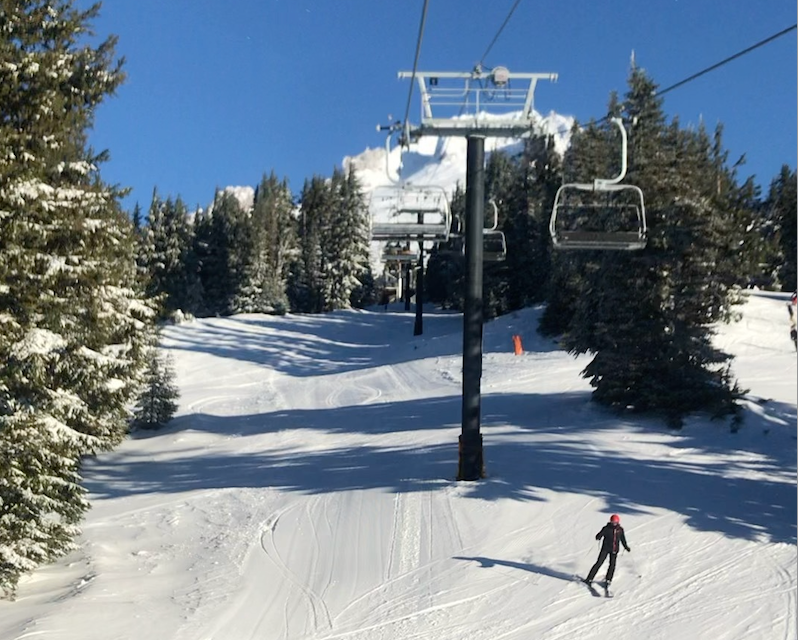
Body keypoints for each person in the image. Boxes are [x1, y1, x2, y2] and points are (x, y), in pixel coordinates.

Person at [583, 514, 631, 586]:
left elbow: (622, 539)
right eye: (613, 522)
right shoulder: (606, 528)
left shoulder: (620, 530)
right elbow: (600, 534)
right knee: (599, 563)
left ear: (618, 522)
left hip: (614, 550)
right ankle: (589, 578)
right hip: (605, 549)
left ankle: (608, 579)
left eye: (615, 522)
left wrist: (626, 546)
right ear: (610, 521)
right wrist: (598, 536)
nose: (614, 524)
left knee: (612, 565)